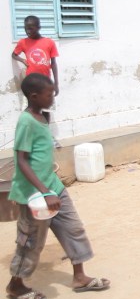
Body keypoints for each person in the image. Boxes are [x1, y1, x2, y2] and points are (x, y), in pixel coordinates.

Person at [6, 74, 109, 299]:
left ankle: (80, 277)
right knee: (31, 241)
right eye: (49, 94)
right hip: (33, 193)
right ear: (34, 96)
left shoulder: (42, 115)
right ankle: (16, 285)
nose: (53, 97)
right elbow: (21, 160)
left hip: (53, 186)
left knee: (72, 228)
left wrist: (50, 189)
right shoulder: (26, 121)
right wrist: (43, 192)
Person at [12, 16, 59, 97]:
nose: (27, 31)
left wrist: (56, 83)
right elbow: (14, 55)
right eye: (26, 28)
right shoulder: (23, 42)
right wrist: (22, 60)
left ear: (38, 28)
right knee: (33, 106)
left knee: (47, 106)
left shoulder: (49, 42)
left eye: (31, 28)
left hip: (46, 82)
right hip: (31, 82)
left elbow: (53, 63)